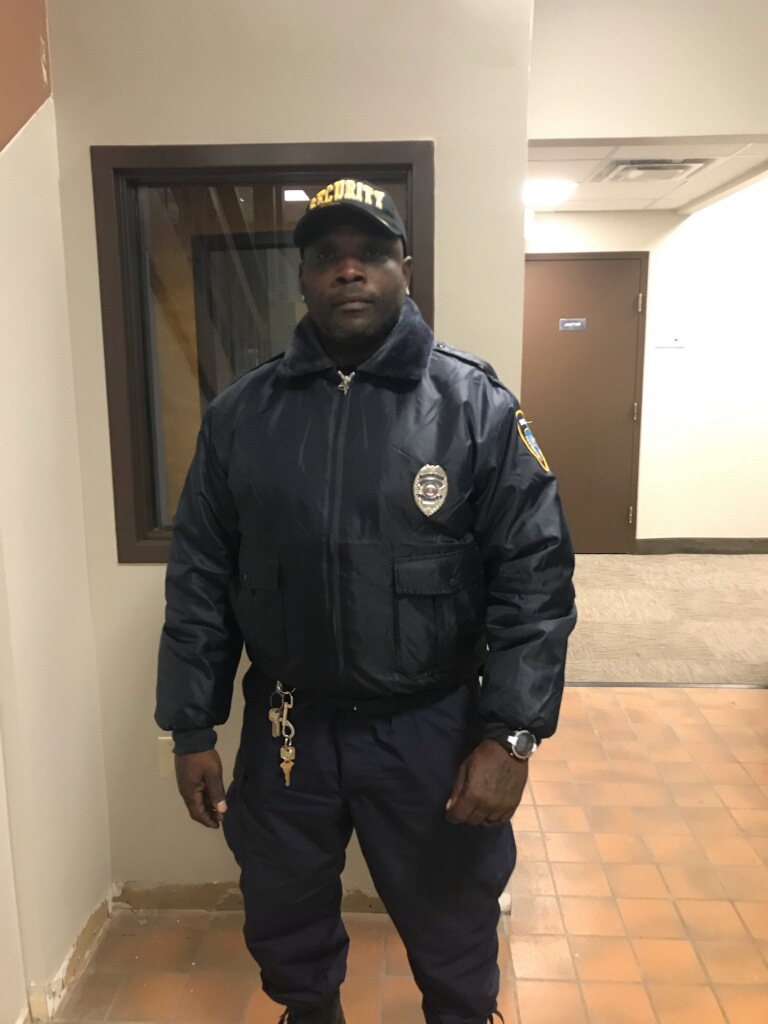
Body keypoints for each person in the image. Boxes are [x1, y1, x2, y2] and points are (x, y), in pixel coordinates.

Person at [156, 178, 576, 1024]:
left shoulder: (475, 406)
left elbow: (536, 577)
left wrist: (514, 734)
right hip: (289, 726)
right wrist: (190, 727)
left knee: (453, 919)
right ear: (303, 278)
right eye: (327, 257)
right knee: (284, 910)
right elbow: (201, 575)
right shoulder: (242, 415)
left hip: (429, 727)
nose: (349, 271)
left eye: (371, 254)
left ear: (404, 270)